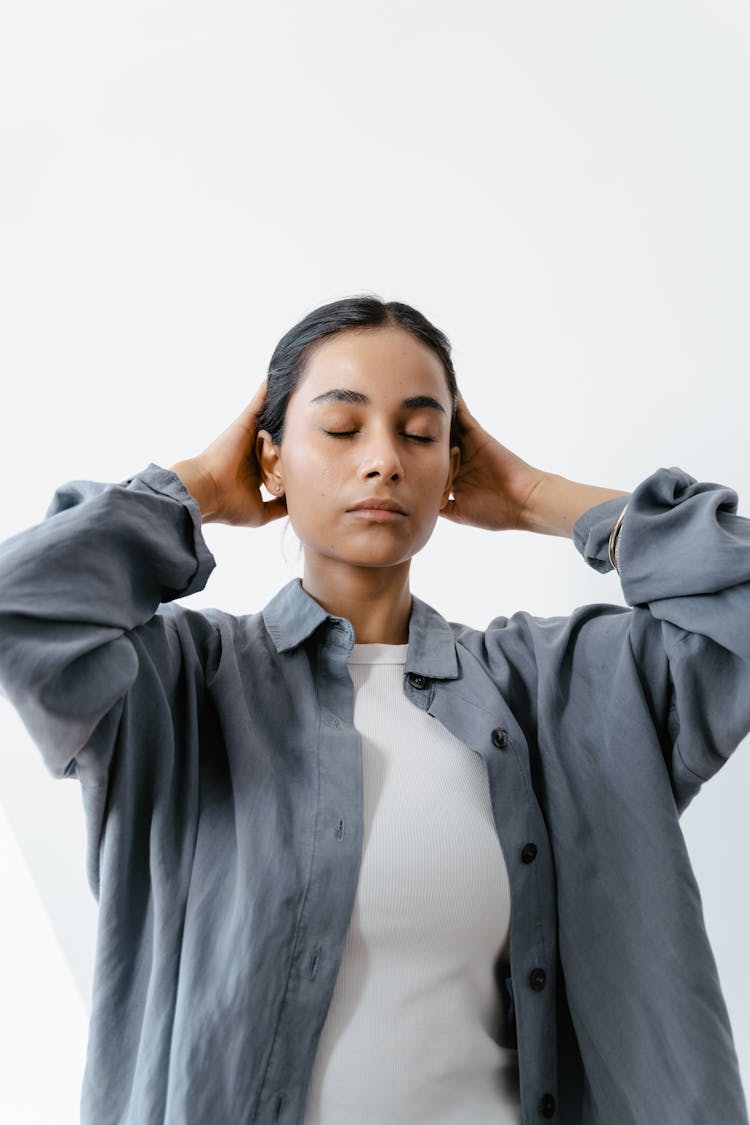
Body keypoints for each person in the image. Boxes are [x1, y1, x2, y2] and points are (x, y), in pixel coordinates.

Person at [0, 294, 747, 1125]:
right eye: (343, 428)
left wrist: (539, 495)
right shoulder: (177, 687)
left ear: (453, 467)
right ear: (272, 460)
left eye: (421, 433)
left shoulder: (559, 690)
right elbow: (22, 602)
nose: (385, 459)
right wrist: (199, 488)